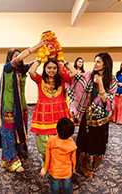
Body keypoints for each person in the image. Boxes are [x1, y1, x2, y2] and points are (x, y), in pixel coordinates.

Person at [0, 40, 45, 173]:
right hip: (9, 107)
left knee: (20, 129)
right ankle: (10, 160)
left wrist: (44, 55)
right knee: (9, 133)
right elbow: (20, 58)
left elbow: (35, 63)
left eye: (19, 55)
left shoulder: (23, 70)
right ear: (10, 59)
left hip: (21, 106)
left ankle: (19, 152)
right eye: (15, 56)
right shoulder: (7, 68)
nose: (18, 58)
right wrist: (36, 46)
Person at [67, 52, 117, 180]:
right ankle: (81, 167)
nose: (95, 64)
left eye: (98, 62)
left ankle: (91, 168)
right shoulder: (89, 75)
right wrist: (65, 63)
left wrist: (100, 83)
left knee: (96, 143)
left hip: (101, 119)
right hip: (87, 117)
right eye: (95, 61)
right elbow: (76, 79)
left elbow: (107, 101)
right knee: (84, 142)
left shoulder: (112, 81)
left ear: (105, 65)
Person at [28, 59, 78, 166]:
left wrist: (64, 61)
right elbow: (31, 71)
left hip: (59, 112)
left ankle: (58, 161)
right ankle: (47, 162)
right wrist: (40, 59)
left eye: (54, 68)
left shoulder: (61, 78)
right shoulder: (40, 78)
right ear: (44, 68)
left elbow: (74, 72)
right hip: (44, 113)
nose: (52, 70)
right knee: (43, 139)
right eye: (49, 68)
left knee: (60, 137)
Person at [40, 117, 77, 194]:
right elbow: (73, 158)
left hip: (54, 171)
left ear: (56, 130)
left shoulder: (51, 140)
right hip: (67, 171)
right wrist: (73, 168)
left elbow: (48, 156)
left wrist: (45, 168)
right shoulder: (72, 143)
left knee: (55, 187)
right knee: (67, 186)